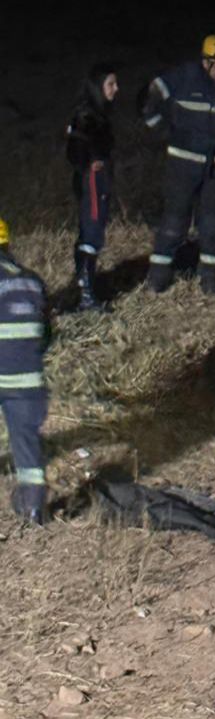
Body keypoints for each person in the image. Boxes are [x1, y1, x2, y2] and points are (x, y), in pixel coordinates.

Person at [141, 34, 215, 295]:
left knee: (213, 224)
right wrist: (163, 130)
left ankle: (210, 279)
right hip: (183, 164)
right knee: (174, 222)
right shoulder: (184, 77)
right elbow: (151, 96)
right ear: (206, 62)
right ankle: (158, 277)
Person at [0, 218, 49, 524]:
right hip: (28, 378)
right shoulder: (33, 281)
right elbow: (46, 334)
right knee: (26, 440)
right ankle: (33, 507)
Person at [66, 62, 118, 312]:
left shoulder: (97, 113)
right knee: (92, 232)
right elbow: (75, 149)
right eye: (111, 84)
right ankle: (86, 294)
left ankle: (84, 285)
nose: (116, 89)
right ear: (98, 87)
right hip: (93, 181)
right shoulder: (87, 116)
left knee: (92, 231)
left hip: (98, 179)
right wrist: (92, 161)